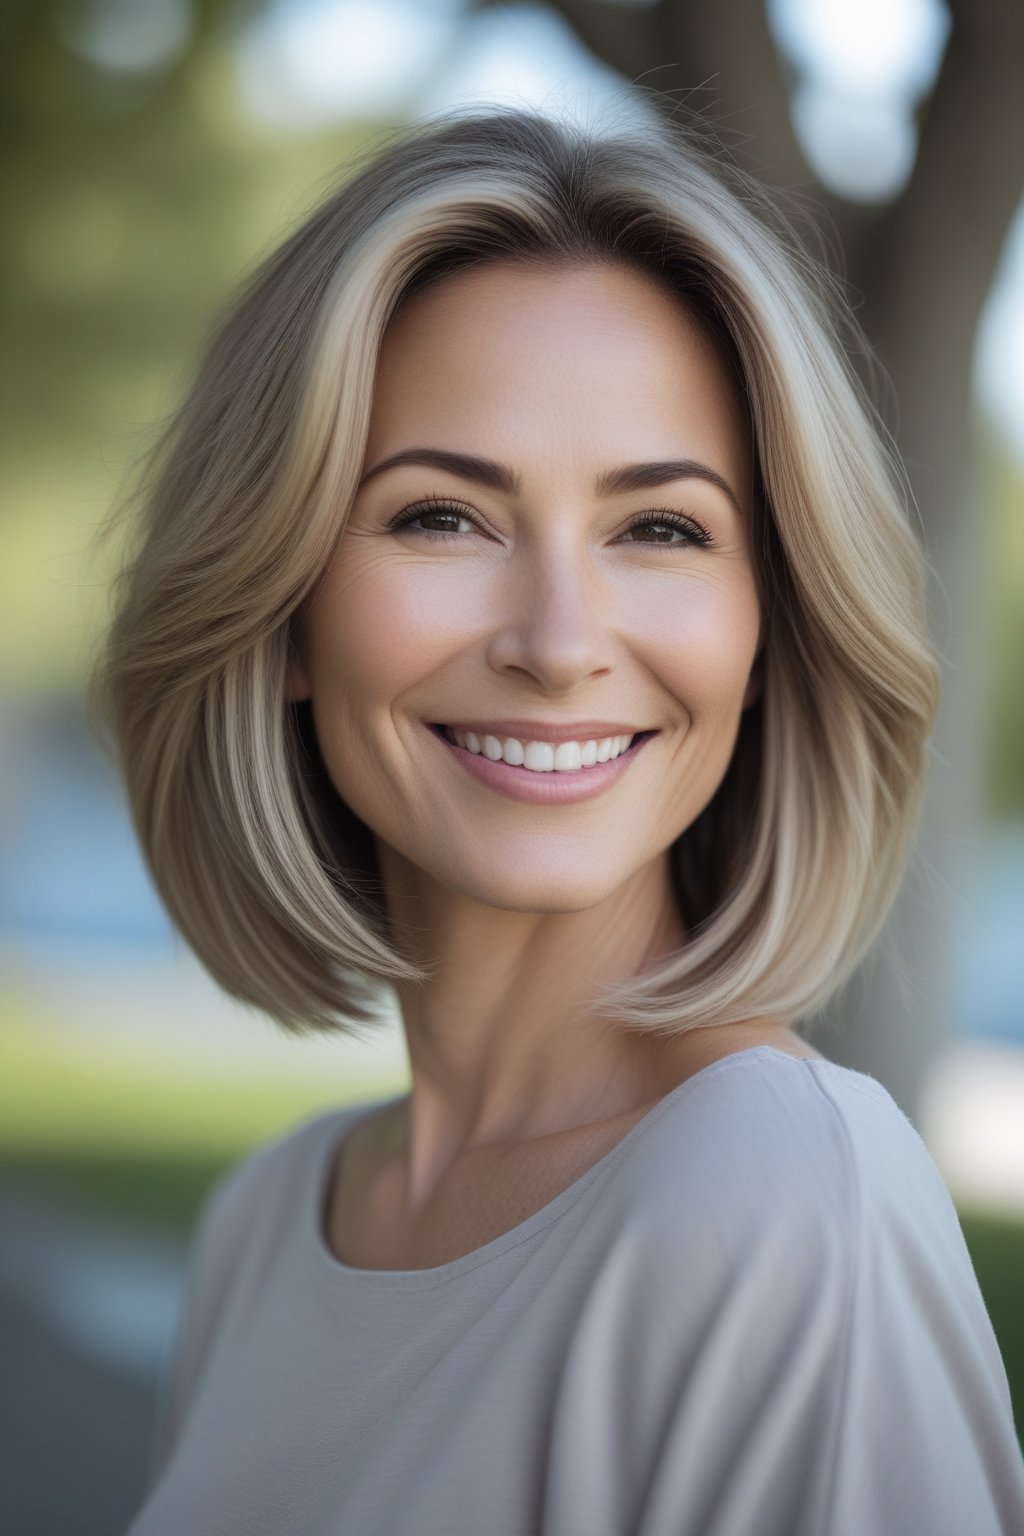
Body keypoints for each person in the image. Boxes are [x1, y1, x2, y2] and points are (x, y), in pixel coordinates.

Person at [90, 106, 1024, 1535]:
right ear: (276, 610)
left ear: (769, 629)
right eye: (441, 519)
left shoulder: (787, 1207)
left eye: (661, 529)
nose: (560, 639)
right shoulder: (270, 1224)